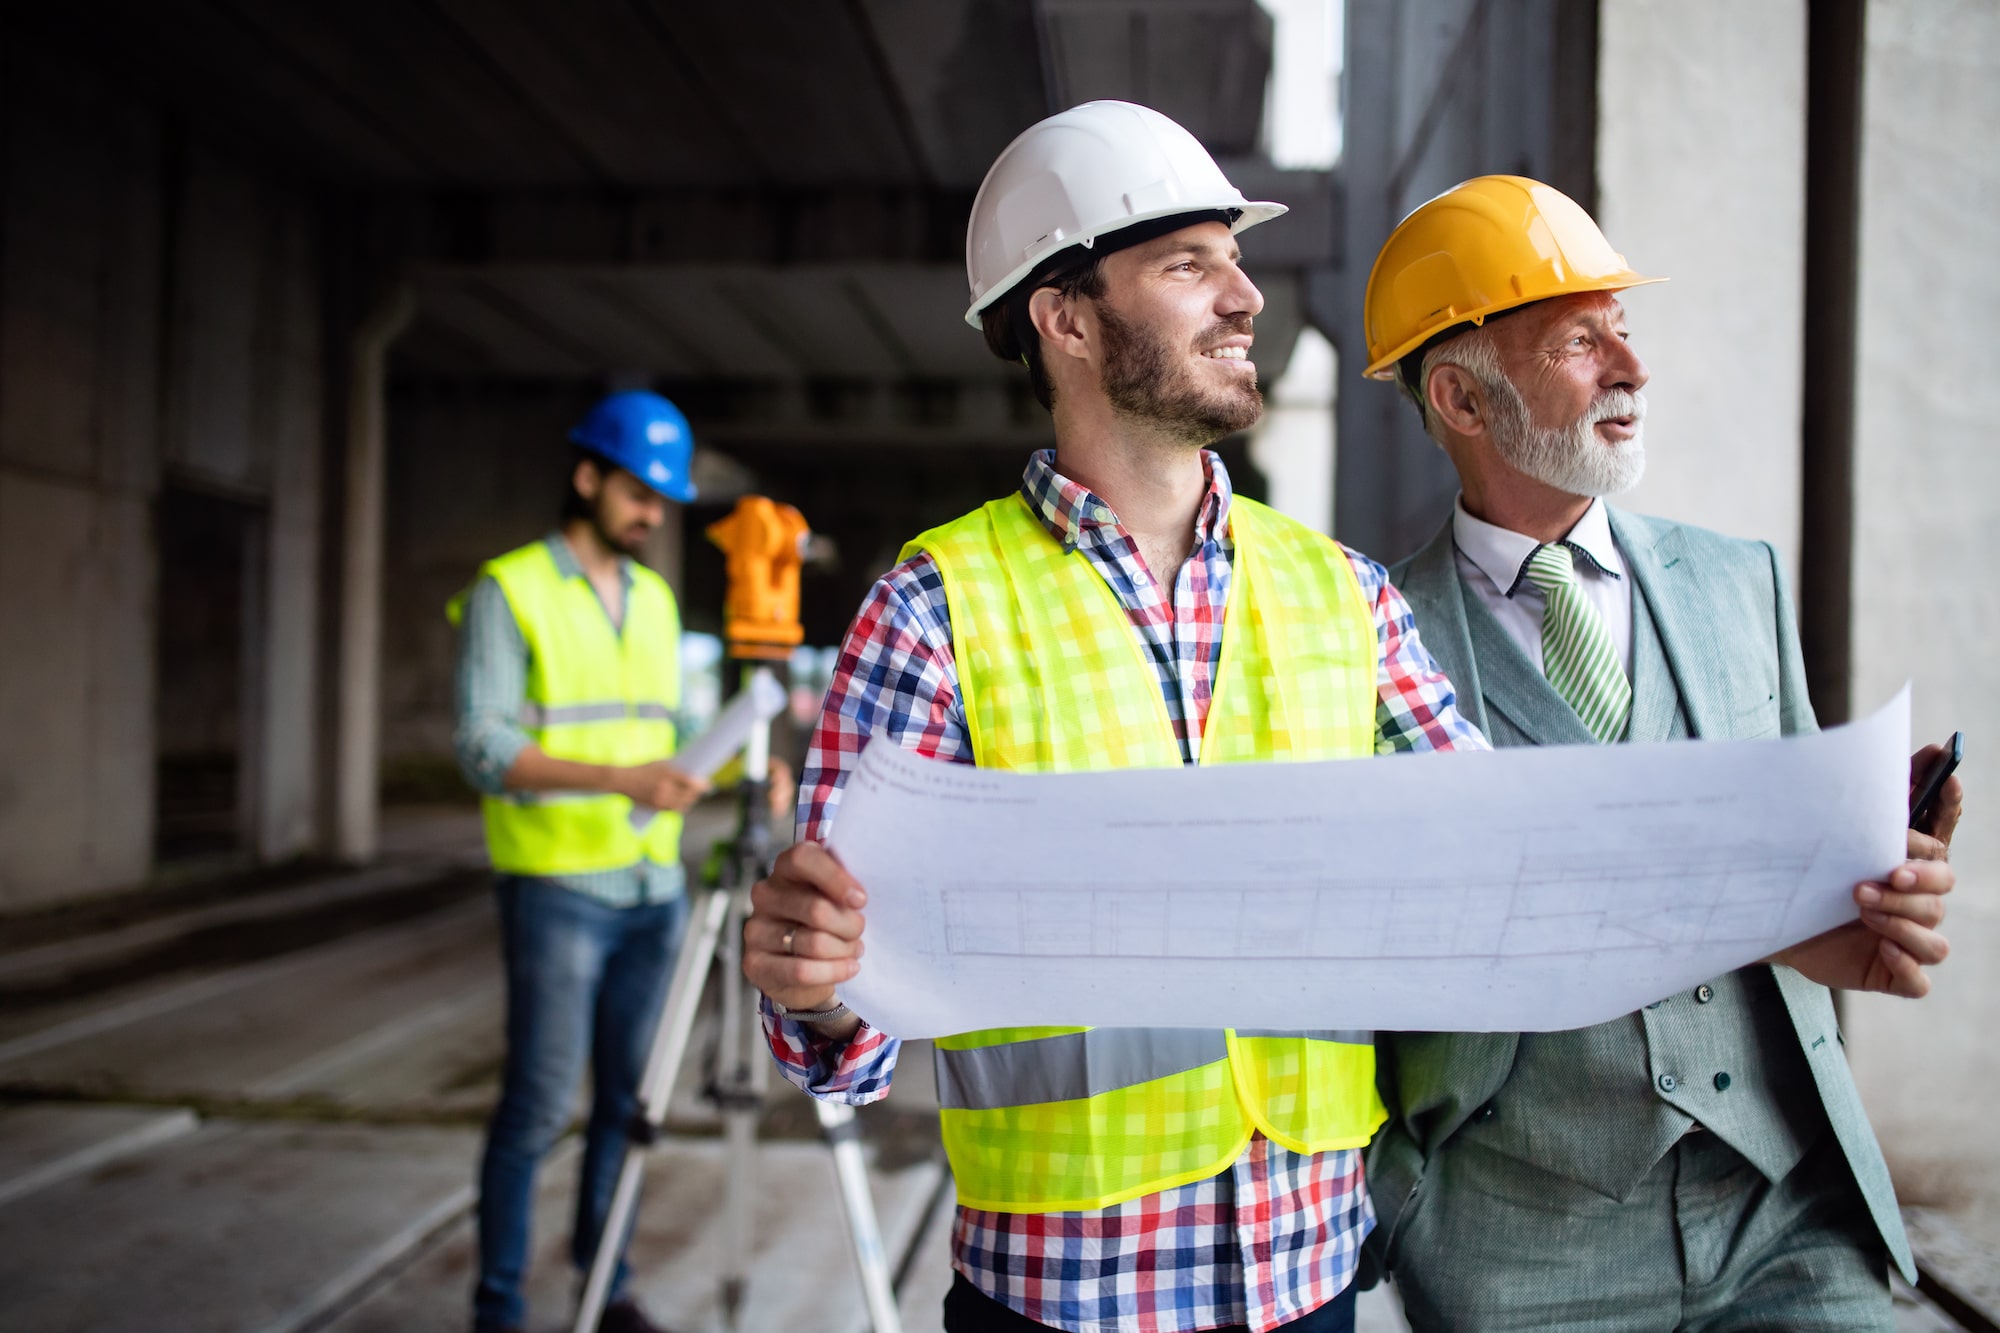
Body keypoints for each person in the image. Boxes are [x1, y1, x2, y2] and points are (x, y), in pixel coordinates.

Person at [741, 100, 1490, 1333]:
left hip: (1308, 1274)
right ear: (1067, 318)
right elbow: (841, 1019)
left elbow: (1496, 867)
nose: (1244, 297)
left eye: (1233, 261)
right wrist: (813, 984)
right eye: (1188, 266)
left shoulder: (1342, 593)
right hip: (1064, 1293)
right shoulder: (934, 609)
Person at [1355, 175, 1961, 1330]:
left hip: (1781, 1209)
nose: (1630, 368)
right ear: (1460, 398)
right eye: (1579, 343)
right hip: (1519, 1250)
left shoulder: (1739, 581)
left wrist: (1869, 887)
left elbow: (1801, 882)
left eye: (1623, 330)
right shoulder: (1366, 636)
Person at [451, 390, 707, 1333]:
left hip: (653, 888)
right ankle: (499, 1309)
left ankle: (609, 1291)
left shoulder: (656, 600)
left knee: (627, 1106)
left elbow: (675, 732)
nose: (651, 513)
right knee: (537, 1108)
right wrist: (617, 780)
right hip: (559, 888)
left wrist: (736, 760)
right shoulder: (510, 588)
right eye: (638, 491)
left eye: (662, 498)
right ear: (588, 475)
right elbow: (483, 745)